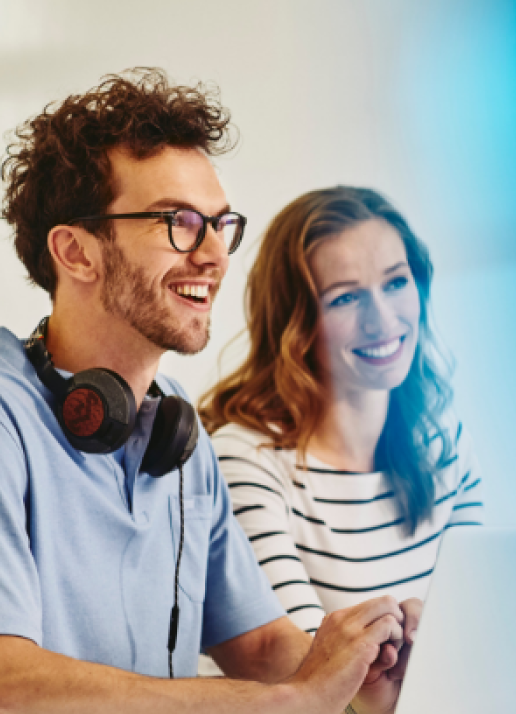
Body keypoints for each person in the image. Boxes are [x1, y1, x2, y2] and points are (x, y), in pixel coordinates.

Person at [0, 70, 414, 714]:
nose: (214, 254)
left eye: (219, 225)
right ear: (76, 252)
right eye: (178, 223)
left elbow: (257, 642)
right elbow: (0, 691)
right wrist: (292, 700)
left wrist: (360, 675)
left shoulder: (173, 422)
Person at [199, 187, 483, 633]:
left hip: (430, 701)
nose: (383, 321)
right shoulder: (246, 460)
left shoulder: (443, 443)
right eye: (345, 298)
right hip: (338, 705)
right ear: (295, 324)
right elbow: (306, 666)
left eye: (395, 283)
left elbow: (477, 627)